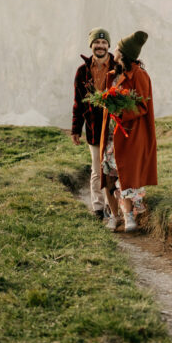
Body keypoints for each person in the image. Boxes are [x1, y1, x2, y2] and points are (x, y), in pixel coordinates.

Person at [104, 30, 157, 233]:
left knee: (124, 174)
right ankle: (116, 216)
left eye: (117, 48)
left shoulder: (140, 76)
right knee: (111, 174)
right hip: (111, 133)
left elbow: (142, 105)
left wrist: (120, 111)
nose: (114, 50)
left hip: (129, 133)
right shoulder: (113, 75)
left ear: (124, 53)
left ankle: (128, 218)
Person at [71, 27, 114, 219]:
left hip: (115, 128)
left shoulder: (117, 66)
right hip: (94, 128)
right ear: (91, 45)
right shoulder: (82, 72)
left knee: (114, 169)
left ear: (108, 46)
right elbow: (78, 102)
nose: (100, 46)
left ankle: (115, 208)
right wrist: (75, 129)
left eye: (104, 43)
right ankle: (98, 207)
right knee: (97, 169)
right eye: (97, 42)